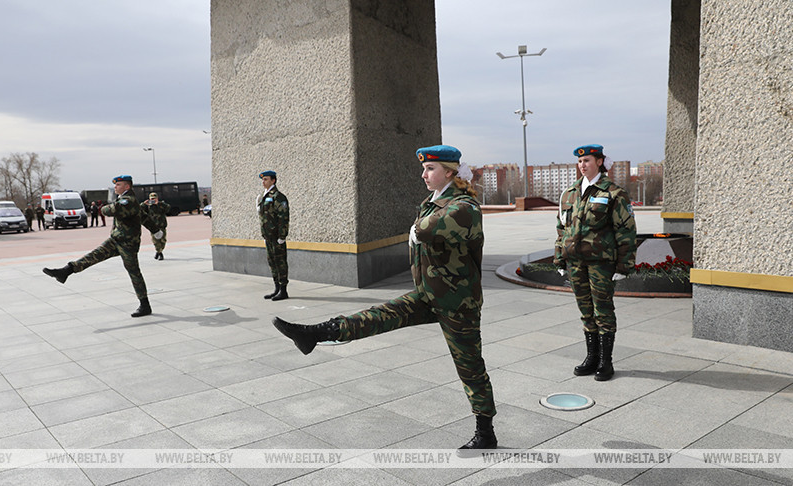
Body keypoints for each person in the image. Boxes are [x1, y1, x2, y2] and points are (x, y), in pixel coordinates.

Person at [272, 145, 497, 453]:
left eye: (430, 168)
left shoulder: (465, 206)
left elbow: (432, 228)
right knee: (382, 314)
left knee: (470, 367)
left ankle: (486, 433)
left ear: (449, 171)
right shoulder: (432, 203)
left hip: (459, 303)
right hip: (429, 294)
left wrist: (419, 226)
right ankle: (317, 333)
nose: (424, 174)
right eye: (424, 168)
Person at [553, 144, 637, 381]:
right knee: (586, 311)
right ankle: (591, 357)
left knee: (603, 311)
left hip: (601, 263)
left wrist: (624, 265)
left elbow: (626, 231)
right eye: (580, 162)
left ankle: (605, 362)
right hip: (575, 263)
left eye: (587, 161)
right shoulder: (569, 193)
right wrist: (560, 258)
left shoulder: (613, 193)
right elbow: (562, 228)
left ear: (599, 162)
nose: (583, 165)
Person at [42, 175, 162, 317]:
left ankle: (145, 305)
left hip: (128, 244)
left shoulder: (128, 201)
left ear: (127, 187)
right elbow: (144, 217)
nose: (116, 187)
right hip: (116, 240)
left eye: (119, 185)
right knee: (94, 255)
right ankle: (66, 271)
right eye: (116, 185)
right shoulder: (127, 200)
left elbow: (110, 210)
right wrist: (155, 230)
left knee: (134, 272)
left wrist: (104, 207)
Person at [257, 170, 290, 301]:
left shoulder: (278, 197)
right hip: (268, 237)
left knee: (280, 262)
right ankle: (276, 288)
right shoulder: (264, 196)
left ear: (273, 180)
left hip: (277, 237)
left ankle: (283, 290)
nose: (263, 181)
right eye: (263, 179)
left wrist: (282, 236)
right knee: (272, 262)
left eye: (266, 179)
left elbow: (283, 218)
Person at [142, 192, 170, 260]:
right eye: (151, 199)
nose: (153, 200)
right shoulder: (148, 206)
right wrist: (144, 204)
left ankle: (158, 252)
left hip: (162, 225)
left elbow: (168, 208)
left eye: (154, 198)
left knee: (163, 241)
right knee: (156, 241)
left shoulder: (161, 204)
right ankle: (160, 253)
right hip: (153, 226)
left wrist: (159, 204)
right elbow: (138, 209)